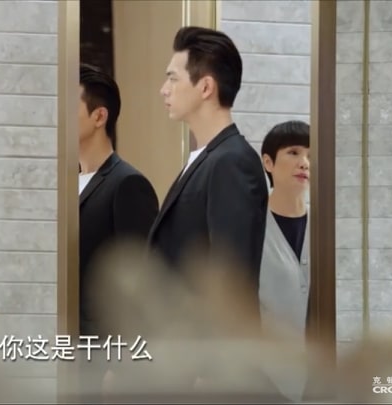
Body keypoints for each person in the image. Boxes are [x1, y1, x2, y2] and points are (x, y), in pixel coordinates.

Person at [148, 25, 268, 299]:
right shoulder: (208, 158)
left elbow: (232, 280)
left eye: (173, 79)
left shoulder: (231, 162)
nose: (164, 90)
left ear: (205, 87)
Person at [78, 63, 159, 399]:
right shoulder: (67, 183)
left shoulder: (128, 184)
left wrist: (121, 366)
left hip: (103, 357)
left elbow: (140, 284)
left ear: (99, 116)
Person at [258, 120, 311, 401]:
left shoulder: (328, 227)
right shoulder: (251, 226)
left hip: (321, 377)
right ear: (268, 162)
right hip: (264, 378)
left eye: (311, 156)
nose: (304, 163)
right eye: (294, 152)